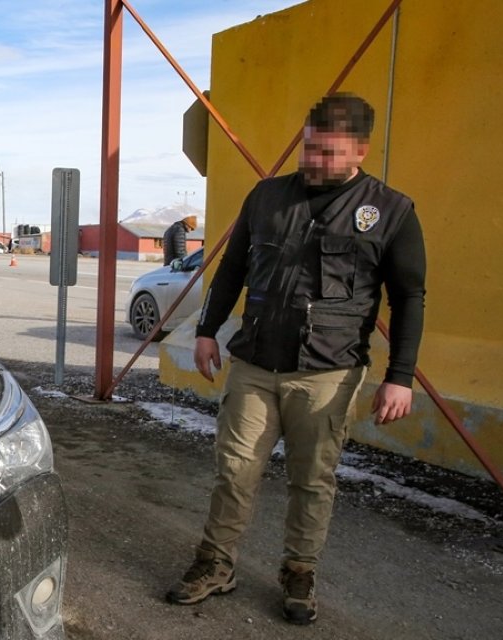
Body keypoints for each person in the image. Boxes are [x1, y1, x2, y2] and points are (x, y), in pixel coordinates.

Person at [164, 93, 426, 625]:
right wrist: (208, 331)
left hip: (329, 373)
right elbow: (233, 267)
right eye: (309, 148)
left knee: (312, 480)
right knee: (234, 472)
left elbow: (409, 297)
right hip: (256, 364)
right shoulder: (266, 198)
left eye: (328, 153)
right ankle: (216, 564)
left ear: (360, 150)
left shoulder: (391, 211)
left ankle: (298, 572)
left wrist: (400, 377)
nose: (313, 161)